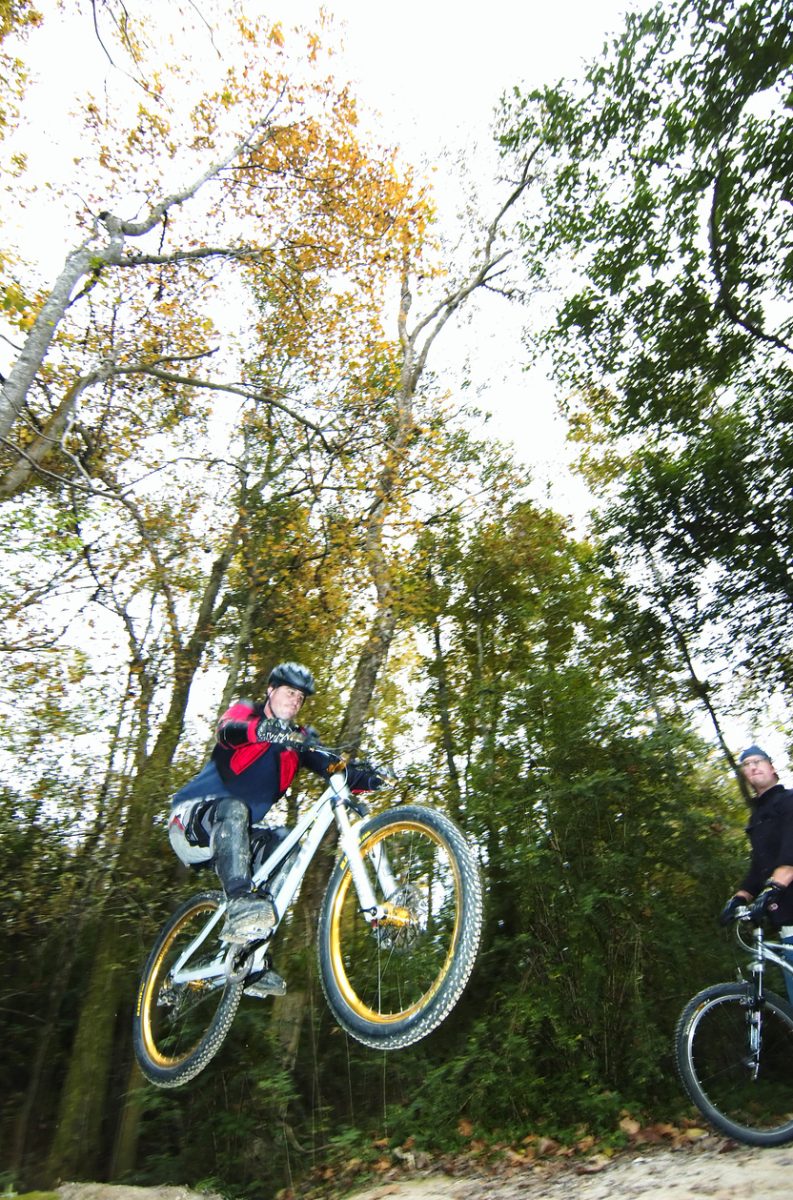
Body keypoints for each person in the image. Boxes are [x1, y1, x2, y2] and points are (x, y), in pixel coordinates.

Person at [168, 661, 384, 997]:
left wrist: (367, 777)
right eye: (289, 692)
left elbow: (333, 768)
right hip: (193, 820)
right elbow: (227, 731)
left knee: (288, 846)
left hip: (234, 836)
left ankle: (249, 958)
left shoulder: (295, 743)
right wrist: (262, 731)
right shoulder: (248, 712)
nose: (295, 700)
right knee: (235, 808)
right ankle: (240, 903)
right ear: (271, 691)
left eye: (300, 697)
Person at [719, 744, 793, 1006]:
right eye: (747, 765)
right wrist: (740, 898)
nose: (753, 766)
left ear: (772, 768)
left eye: (758, 761)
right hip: (786, 919)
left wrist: (776, 884)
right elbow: (759, 866)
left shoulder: (789, 801)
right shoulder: (757, 817)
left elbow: (790, 850)